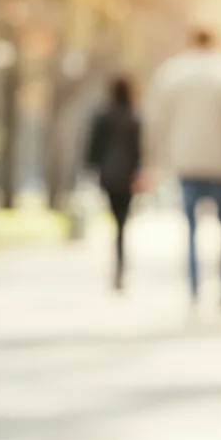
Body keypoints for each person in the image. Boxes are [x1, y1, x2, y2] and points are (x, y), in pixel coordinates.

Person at [145, 28, 221, 313]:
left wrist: (157, 159)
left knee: (191, 230)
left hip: (186, 162)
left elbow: (157, 119)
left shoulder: (173, 74)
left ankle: (194, 291)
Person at [85, 75, 142, 292]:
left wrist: (92, 169)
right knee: (122, 222)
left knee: (116, 221)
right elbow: (139, 151)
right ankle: (120, 263)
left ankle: (118, 263)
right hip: (127, 178)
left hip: (108, 176)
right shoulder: (134, 117)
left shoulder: (103, 117)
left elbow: (93, 148)